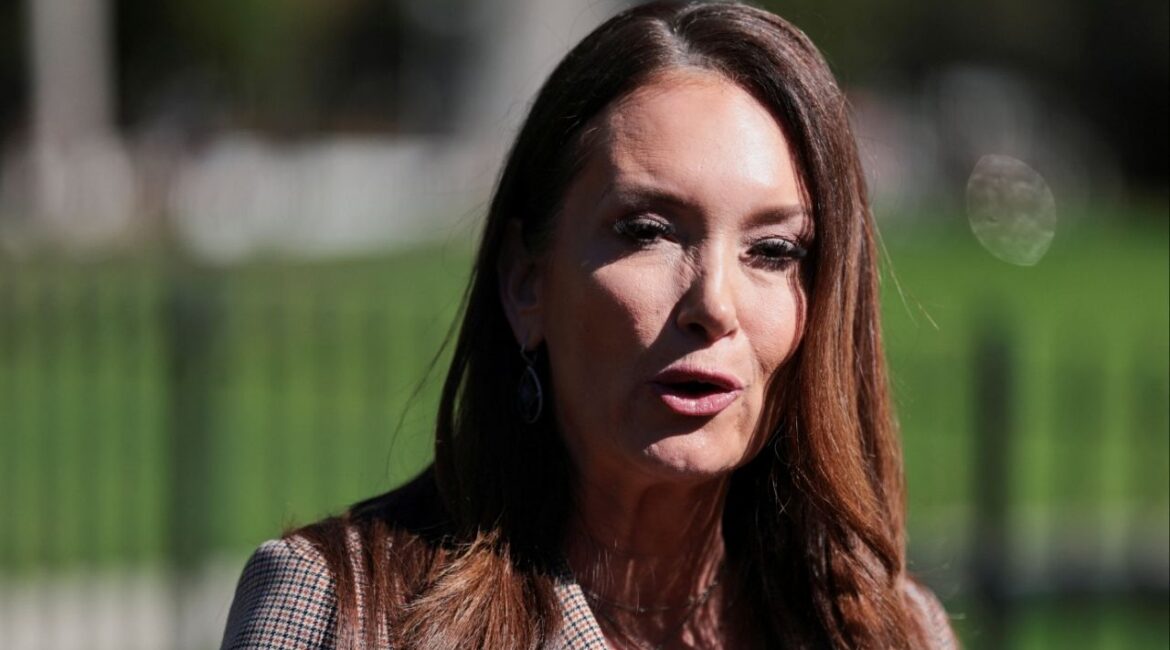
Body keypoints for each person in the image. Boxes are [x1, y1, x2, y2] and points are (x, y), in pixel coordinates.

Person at [220, 2, 958, 648]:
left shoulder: (891, 631)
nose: (715, 304)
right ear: (526, 281)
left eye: (773, 251)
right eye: (646, 231)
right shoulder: (341, 611)